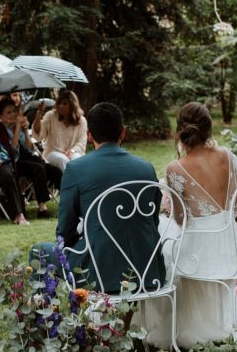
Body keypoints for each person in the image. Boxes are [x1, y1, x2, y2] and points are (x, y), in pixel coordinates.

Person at [135, 102, 237, 349]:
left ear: (181, 131)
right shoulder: (228, 157)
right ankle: (221, 323)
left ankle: (160, 322)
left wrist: (168, 209)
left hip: (199, 249)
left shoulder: (175, 168)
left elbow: (181, 219)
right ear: (209, 129)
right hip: (227, 242)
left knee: (162, 245)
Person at [50, 102, 163, 293]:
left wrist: (76, 243)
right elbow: (152, 221)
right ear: (123, 133)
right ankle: (119, 322)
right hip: (149, 272)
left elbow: (65, 230)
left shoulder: (76, 169)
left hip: (98, 273)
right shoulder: (146, 168)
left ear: (89, 135)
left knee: (39, 252)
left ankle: (46, 318)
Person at [0, 96, 62, 219]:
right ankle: (42, 207)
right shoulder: (0, 130)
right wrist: (17, 128)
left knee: (54, 171)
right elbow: (12, 150)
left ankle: (69, 201)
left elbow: (29, 148)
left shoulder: (18, 126)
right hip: (11, 162)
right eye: (8, 112)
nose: (12, 114)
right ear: (0, 116)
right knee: (37, 168)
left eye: (14, 111)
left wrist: (26, 131)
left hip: (26, 158)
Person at [32, 89, 87, 171]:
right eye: (59, 103)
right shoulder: (51, 116)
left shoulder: (81, 121)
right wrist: (39, 113)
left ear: (72, 105)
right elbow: (38, 132)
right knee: (63, 160)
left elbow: (81, 141)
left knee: (77, 160)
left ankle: (78, 183)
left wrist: (72, 151)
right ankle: (69, 183)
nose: (61, 106)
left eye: (65, 104)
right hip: (52, 153)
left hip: (72, 152)